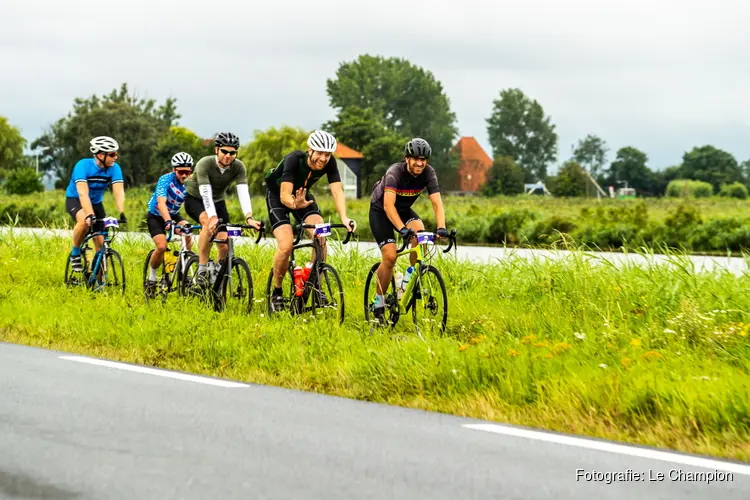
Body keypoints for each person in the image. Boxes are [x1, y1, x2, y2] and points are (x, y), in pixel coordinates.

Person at [264, 129, 356, 311]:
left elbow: (337, 191)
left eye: (328, 154)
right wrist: (293, 203)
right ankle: (277, 292)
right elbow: (284, 195)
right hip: (279, 197)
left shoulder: (330, 163)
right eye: (320, 153)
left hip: (302, 196)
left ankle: (314, 286)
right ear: (310, 150)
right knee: (286, 246)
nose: (323, 158)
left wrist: (344, 218)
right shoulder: (294, 159)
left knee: (321, 236)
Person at [368, 137, 449, 322]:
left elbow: (437, 202)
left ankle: (407, 281)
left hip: (403, 211)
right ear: (407, 158)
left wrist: (442, 227)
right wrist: (402, 229)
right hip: (381, 211)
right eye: (416, 159)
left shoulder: (429, 173)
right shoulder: (394, 173)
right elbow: (389, 206)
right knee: (390, 257)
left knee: (420, 236)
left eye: (423, 159)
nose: (420, 163)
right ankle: (378, 300)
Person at [182, 132, 261, 286]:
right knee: (208, 225)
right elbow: (205, 193)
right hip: (195, 198)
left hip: (218, 201)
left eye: (232, 153)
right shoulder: (205, 163)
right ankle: (203, 269)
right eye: (224, 151)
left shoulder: (238, 166)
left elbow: (243, 192)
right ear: (216, 150)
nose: (228, 156)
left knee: (224, 243)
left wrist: (249, 217)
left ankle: (216, 276)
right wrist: (212, 218)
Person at [65, 136, 127, 272]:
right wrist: (90, 215)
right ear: (100, 155)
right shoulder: (82, 166)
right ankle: (75, 252)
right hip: (75, 199)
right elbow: (83, 193)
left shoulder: (115, 168)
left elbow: (118, 192)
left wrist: (121, 212)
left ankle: (97, 278)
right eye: (112, 154)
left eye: (116, 153)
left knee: (101, 246)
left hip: (96, 203)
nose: (116, 157)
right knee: (84, 222)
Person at [143, 152, 194, 295]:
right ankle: (151, 279)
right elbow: (161, 203)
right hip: (157, 215)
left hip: (174, 214)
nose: (184, 175)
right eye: (181, 172)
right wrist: (168, 221)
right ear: (174, 170)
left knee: (188, 230)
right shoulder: (165, 180)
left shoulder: (191, 182)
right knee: (161, 246)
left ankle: (185, 269)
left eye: (187, 172)